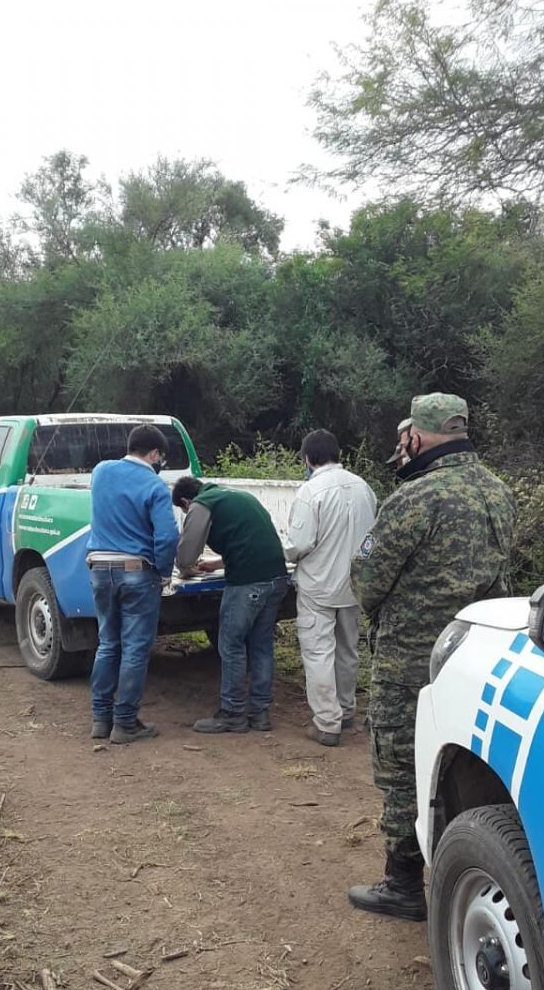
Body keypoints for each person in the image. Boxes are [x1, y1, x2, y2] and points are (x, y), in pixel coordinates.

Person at [348, 393, 516, 920]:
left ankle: (402, 883)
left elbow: (366, 579)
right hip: (475, 656)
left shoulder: (414, 498)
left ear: (415, 438)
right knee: (462, 760)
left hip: (409, 662)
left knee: (401, 764)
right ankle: (465, 869)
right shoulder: (500, 492)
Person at [86, 424, 179, 745]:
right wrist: (165, 571)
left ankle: (101, 718)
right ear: (154, 453)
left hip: (99, 567)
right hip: (137, 571)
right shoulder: (155, 486)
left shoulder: (101, 472)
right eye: (160, 460)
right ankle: (125, 723)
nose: (159, 466)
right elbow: (167, 536)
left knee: (108, 643)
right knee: (135, 649)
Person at [173, 477, 288, 733]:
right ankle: (260, 714)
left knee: (231, 644)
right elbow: (250, 541)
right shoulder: (236, 496)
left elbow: (185, 556)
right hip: (277, 578)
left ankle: (232, 713)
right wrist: (216, 564)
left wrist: (186, 568)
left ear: (185, 501)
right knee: (261, 645)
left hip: (248, 582)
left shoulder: (201, 504)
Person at [284, 429, 377, 746]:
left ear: (307, 458)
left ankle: (326, 723)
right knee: (348, 651)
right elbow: (372, 538)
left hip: (318, 588)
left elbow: (298, 544)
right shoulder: (364, 488)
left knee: (318, 653)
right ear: (339, 454)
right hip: (354, 586)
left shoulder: (311, 492)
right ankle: (347, 711)